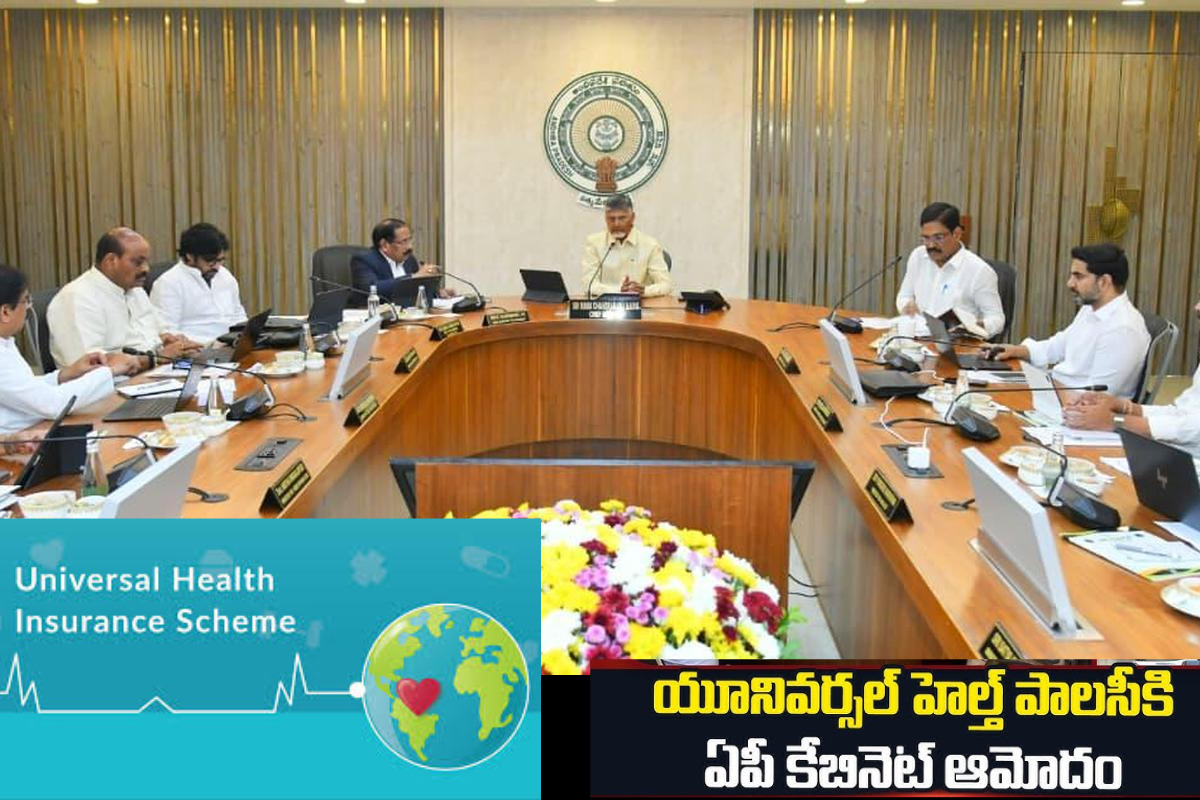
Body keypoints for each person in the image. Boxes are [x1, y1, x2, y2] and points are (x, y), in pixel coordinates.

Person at [988, 244, 1150, 399]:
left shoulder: (1123, 329)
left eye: (1078, 276)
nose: (1070, 283)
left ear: (1104, 282)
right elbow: (1058, 346)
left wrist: (1039, 386)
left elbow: (1095, 397)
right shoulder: (1091, 308)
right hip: (1054, 394)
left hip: (1074, 410)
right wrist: (1016, 350)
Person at [0, 263, 140, 435]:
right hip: (17, 441)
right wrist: (110, 371)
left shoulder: (5, 342)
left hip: (31, 431)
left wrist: (66, 374)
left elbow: (24, 389)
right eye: (26, 300)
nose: (28, 307)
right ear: (5, 312)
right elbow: (52, 404)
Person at [47, 227, 203, 370]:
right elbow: (88, 367)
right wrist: (156, 358)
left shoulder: (135, 290)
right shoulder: (77, 298)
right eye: (138, 262)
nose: (146, 269)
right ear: (111, 261)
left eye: (146, 262)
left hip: (154, 374)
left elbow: (158, 330)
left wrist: (169, 340)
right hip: (113, 387)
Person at [1063, 298, 1200, 455]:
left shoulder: (1125, 325)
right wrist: (1123, 407)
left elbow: (1193, 428)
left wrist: (1115, 422)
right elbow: (1183, 413)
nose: (1196, 307)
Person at [895, 202, 1005, 339]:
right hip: (918, 339)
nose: (931, 245)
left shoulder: (979, 271)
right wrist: (907, 306)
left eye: (938, 238)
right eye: (926, 238)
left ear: (957, 234)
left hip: (955, 344)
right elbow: (904, 295)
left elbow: (997, 319)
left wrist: (973, 325)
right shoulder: (918, 256)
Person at [150, 223, 248, 342]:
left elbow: (238, 316)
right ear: (189, 256)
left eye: (220, 260)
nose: (217, 266)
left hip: (231, 344)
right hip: (196, 348)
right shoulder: (168, 283)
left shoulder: (225, 275)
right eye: (210, 261)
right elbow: (167, 332)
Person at [581, 193, 672, 298]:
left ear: (632, 218)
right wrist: (619, 290)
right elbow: (588, 285)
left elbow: (666, 285)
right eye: (611, 219)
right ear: (605, 218)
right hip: (605, 305)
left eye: (622, 218)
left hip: (640, 304)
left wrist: (644, 291)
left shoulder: (650, 245)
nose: (616, 224)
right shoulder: (594, 243)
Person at [349, 218, 442, 305]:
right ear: (384, 245)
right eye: (403, 242)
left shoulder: (409, 260)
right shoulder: (364, 260)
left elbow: (416, 290)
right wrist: (413, 277)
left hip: (407, 313)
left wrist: (437, 292)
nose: (410, 247)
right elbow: (372, 288)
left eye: (410, 240)